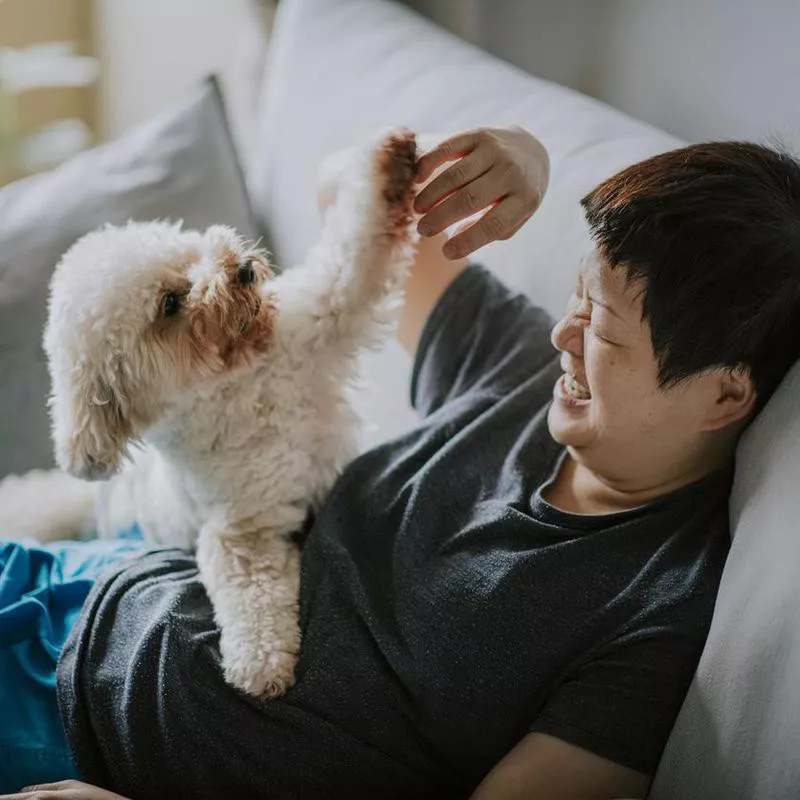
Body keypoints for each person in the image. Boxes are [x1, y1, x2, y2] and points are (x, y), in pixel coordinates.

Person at [2, 126, 800, 800]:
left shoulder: (655, 619)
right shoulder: (515, 366)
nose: (566, 335)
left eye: (605, 333)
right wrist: (514, 156)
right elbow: (346, 189)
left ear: (725, 398)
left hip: (85, 735)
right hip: (94, 586)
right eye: (577, 298)